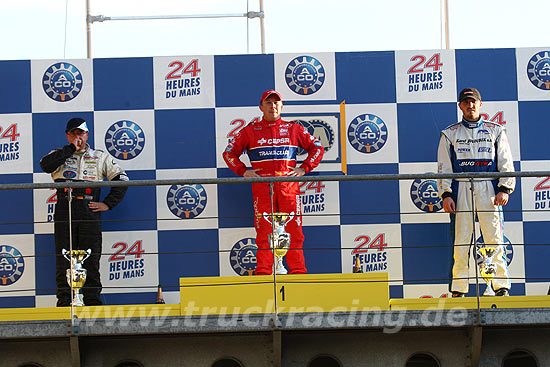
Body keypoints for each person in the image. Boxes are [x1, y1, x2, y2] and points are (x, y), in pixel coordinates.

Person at [223, 90, 324, 275]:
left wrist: (304, 168)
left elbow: (317, 148)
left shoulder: (294, 129)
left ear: (282, 106)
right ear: (261, 107)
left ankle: (298, 272)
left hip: (289, 187)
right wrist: (243, 171)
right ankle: (263, 272)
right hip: (262, 187)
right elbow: (229, 153)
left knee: (294, 232)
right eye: (268, 103)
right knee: (263, 233)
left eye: (276, 102)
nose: (273, 106)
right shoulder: (250, 131)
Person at [40, 117, 129, 306]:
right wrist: (71, 149)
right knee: (64, 256)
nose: (77, 137)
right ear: (67, 135)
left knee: (91, 256)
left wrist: (107, 204)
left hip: (89, 208)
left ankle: (92, 301)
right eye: (73, 133)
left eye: (80, 133)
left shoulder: (100, 156)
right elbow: (45, 166)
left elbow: (122, 180)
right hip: (65, 208)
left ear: (87, 134)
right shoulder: (59, 154)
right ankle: (64, 302)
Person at [437, 88, 515, 297]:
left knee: (494, 239)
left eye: (474, 102)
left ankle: (500, 287)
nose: (470, 105)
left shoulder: (496, 130)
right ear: (460, 106)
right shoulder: (449, 133)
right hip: (461, 188)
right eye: (466, 102)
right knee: (461, 241)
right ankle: (459, 289)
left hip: (489, 188)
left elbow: (506, 162)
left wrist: (504, 188)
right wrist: (446, 194)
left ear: (480, 104)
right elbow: (444, 167)